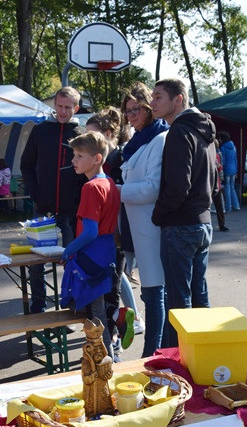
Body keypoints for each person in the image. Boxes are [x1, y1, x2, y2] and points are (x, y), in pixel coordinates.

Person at [151, 78, 217, 349]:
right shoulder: (203, 131)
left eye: (158, 97)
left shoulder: (180, 131)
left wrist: (158, 215)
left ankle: (176, 365)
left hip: (181, 226)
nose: (151, 102)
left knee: (179, 305)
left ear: (178, 100)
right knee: (199, 299)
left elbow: (179, 185)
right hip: (202, 224)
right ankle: (207, 357)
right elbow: (213, 181)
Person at [20, 86, 87, 314]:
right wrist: (36, 193)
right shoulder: (40, 132)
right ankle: (38, 306)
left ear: (76, 108)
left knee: (71, 262)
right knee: (37, 263)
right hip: (42, 210)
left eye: (67, 107)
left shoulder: (81, 134)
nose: (62, 111)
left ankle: (69, 307)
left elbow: (88, 171)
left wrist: (79, 200)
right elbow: (26, 165)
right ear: (54, 105)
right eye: (59, 106)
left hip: (70, 212)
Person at [119, 82, 170, 357]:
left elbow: (152, 187)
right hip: (134, 226)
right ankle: (153, 350)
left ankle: (152, 352)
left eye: (136, 108)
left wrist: (117, 192)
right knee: (149, 292)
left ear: (149, 107)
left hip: (151, 226)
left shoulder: (160, 138)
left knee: (153, 293)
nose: (131, 115)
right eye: (127, 111)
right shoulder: (135, 142)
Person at [60, 131, 121, 352]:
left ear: (97, 159)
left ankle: (105, 362)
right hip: (106, 253)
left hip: (91, 256)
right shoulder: (110, 183)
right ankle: (109, 351)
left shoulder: (91, 187)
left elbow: (90, 232)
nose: (73, 160)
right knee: (99, 311)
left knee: (95, 317)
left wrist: (67, 251)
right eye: (73, 155)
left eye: (79, 156)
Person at [85, 109, 139, 358]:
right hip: (101, 239)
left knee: (109, 291)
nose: (86, 139)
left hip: (114, 237)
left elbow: (122, 200)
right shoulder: (98, 162)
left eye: (92, 134)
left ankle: (113, 347)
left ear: (107, 134)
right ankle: (119, 323)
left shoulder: (117, 160)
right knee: (105, 292)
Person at [218, 130, 240, 212]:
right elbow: (235, 160)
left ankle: (228, 207)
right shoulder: (234, 147)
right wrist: (236, 170)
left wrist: (221, 170)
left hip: (227, 170)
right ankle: (236, 205)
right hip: (233, 169)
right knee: (232, 188)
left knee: (227, 188)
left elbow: (222, 161)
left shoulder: (223, 148)